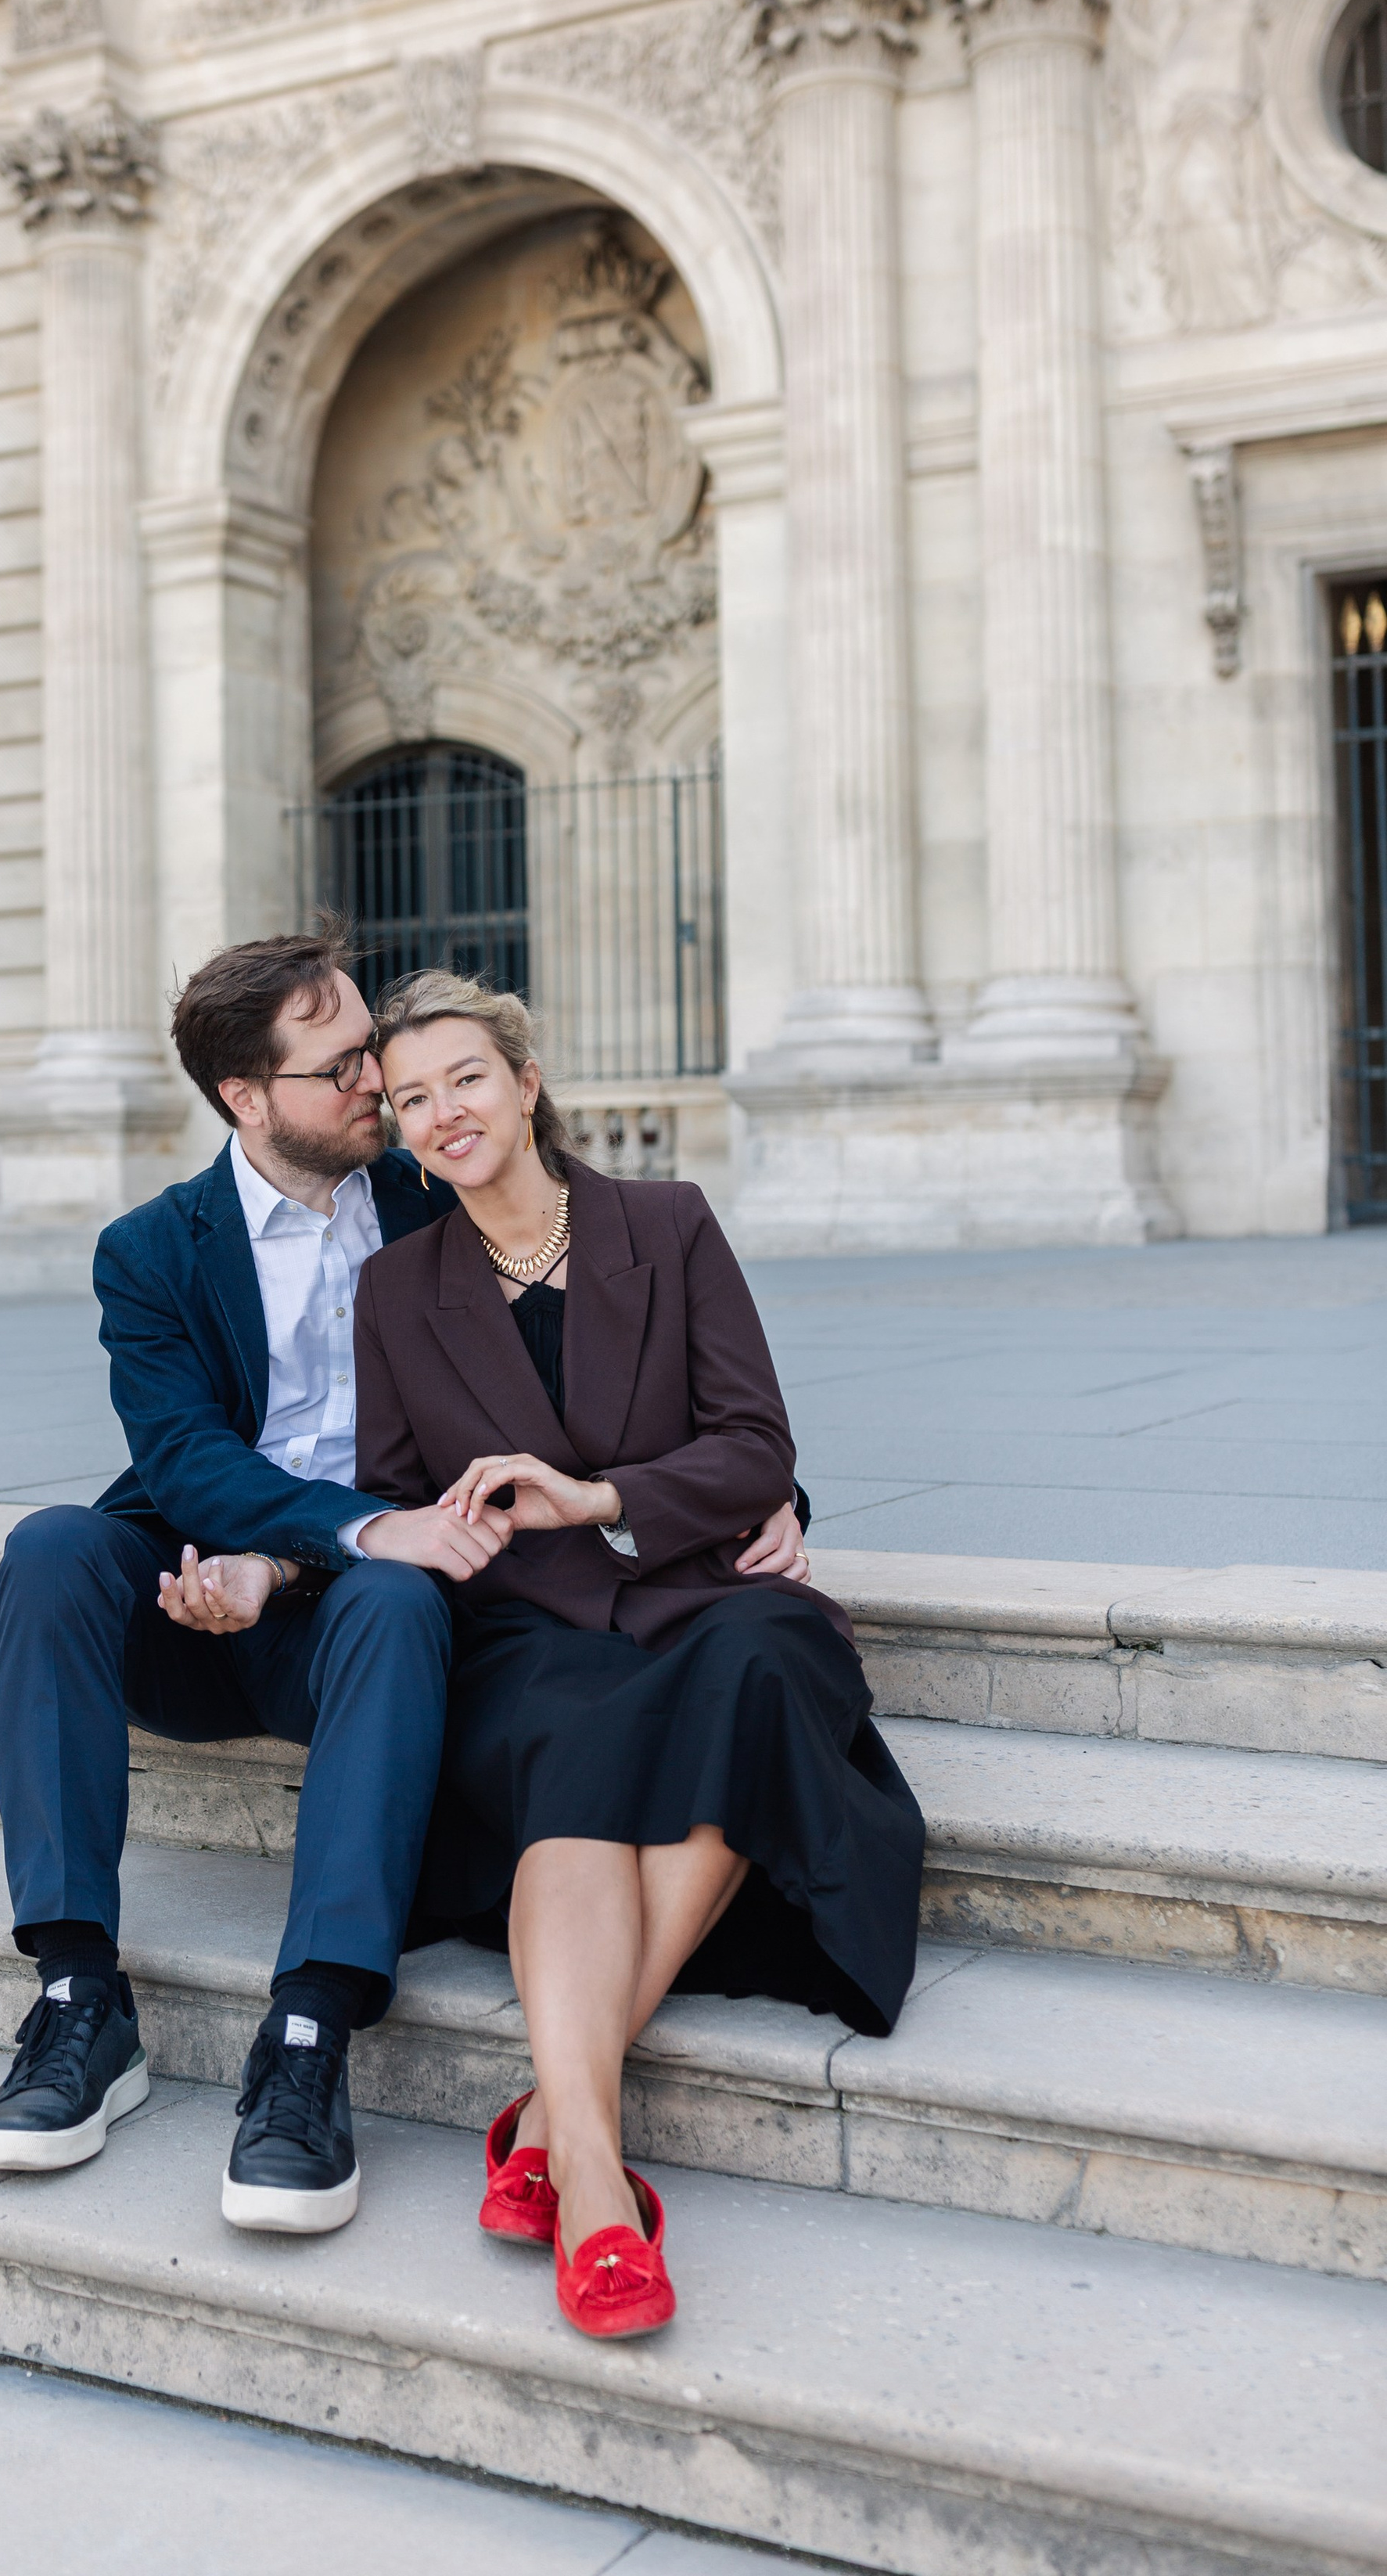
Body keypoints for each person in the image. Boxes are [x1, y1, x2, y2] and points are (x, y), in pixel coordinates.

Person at [0, 926, 812, 2238]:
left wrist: (759, 1486)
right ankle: (79, 1997)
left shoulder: (433, 1192)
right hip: (214, 1579)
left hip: (377, 1611)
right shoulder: (149, 1250)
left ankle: (310, 2030)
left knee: (396, 1592)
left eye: (380, 1052)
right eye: (347, 1068)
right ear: (247, 1099)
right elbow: (185, 1457)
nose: (385, 1086)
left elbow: (603, 1344)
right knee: (50, 1549)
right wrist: (298, 1545)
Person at [354, 970, 924, 2342]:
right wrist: (432, 1530)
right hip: (527, 1623)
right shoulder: (395, 1286)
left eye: (465, 1080)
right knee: (578, 1741)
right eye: (412, 1100)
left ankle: (555, 2114)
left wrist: (598, 1495)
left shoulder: (664, 1226)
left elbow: (754, 1442)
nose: (443, 1114)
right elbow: (390, 1487)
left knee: (764, 1666)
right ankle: (600, 2187)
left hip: (697, 1586)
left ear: (527, 1082)